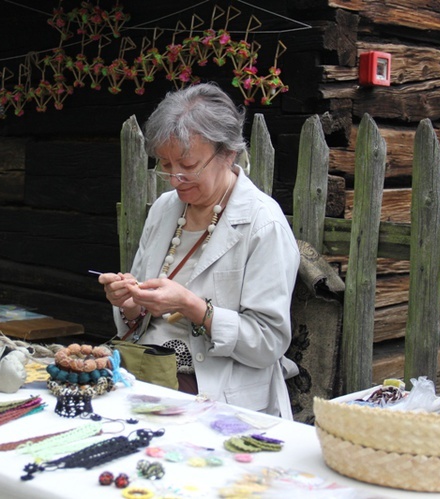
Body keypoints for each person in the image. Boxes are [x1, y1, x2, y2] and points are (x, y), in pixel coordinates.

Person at [98, 83, 299, 418]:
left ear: (229, 153)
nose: (176, 178)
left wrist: (192, 306)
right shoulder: (165, 209)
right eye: (165, 163)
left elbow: (268, 342)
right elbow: (136, 323)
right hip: (147, 377)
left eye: (188, 165)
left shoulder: (263, 224)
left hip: (218, 397)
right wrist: (131, 305)